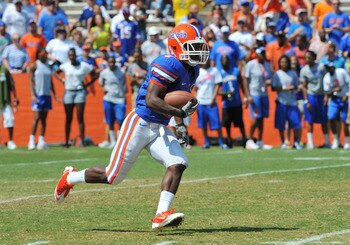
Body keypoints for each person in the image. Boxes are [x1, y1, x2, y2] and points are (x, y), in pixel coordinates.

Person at [54, 23, 209, 231]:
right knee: (113, 177)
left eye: (199, 46)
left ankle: (160, 215)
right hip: (141, 122)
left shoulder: (193, 70)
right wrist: (179, 115)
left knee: (178, 162)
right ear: (175, 47)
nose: (198, 51)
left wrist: (179, 124)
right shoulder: (167, 64)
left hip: (159, 125)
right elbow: (151, 100)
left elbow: (176, 102)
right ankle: (70, 177)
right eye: (192, 46)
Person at [53, 48, 97, 148]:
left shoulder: (83, 66)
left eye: (73, 55)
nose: (71, 57)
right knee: (68, 118)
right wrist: (62, 80)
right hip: (68, 91)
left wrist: (88, 84)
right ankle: (67, 142)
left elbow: (95, 74)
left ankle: (82, 142)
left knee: (80, 117)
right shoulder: (65, 65)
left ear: (76, 56)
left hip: (79, 92)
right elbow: (56, 73)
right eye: (70, 55)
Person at [28, 47, 59, 150]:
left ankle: (41, 140)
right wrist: (33, 94)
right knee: (36, 118)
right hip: (38, 95)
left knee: (44, 119)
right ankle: (31, 140)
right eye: (42, 55)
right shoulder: (35, 65)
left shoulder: (48, 66)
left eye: (45, 55)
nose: (44, 57)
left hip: (47, 95)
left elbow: (51, 82)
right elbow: (30, 81)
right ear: (39, 55)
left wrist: (54, 94)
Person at [243, 47, 273, 150]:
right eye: (260, 53)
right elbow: (245, 79)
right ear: (256, 54)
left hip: (264, 94)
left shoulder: (267, 65)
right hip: (254, 93)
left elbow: (269, 78)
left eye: (264, 53)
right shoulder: (251, 64)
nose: (262, 55)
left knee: (261, 118)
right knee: (255, 117)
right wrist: (248, 95)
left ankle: (260, 141)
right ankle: (249, 140)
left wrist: (269, 81)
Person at [194, 60, 228, 149]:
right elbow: (196, 88)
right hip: (201, 101)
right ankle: (206, 142)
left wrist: (214, 97)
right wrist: (196, 102)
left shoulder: (214, 71)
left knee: (216, 123)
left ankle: (221, 142)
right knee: (203, 124)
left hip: (211, 102)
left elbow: (217, 84)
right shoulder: (198, 72)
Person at [271, 55, 302, 149]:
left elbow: (297, 85)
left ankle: (296, 142)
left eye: (285, 62)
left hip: (292, 101)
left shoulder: (293, 73)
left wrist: (293, 87)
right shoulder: (277, 74)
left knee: (296, 122)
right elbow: (273, 87)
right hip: (281, 101)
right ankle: (283, 142)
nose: (284, 64)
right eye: (282, 62)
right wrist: (284, 88)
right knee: (281, 124)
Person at [300, 50, 329, 149]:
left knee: (324, 120)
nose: (307, 59)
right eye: (306, 57)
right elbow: (304, 86)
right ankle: (310, 142)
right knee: (310, 120)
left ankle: (326, 142)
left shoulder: (321, 67)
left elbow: (327, 80)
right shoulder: (304, 70)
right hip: (311, 95)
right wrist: (306, 100)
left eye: (309, 57)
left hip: (321, 95)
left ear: (314, 57)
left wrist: (326, 95)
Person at [216, 54, 246, 147]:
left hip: (237, 102)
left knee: (240, 122)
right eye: (223, 60)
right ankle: (229, 140)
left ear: (229, 61)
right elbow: (217, 91)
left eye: (226, 60)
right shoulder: (219, 73)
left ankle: (245, 139)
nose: (225, 62)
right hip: (226, 104)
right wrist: (225, 93)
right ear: (220, 62)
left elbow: (242, 84)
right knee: (227, 123)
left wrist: (245, 96)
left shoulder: (236, 71)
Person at [98, 56, 126, 148]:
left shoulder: (121, 72)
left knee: (120, 119)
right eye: (110, 62)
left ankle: (119, 141)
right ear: (107, 63)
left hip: (119, 99)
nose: (111, 64)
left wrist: (123, 93)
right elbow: (100, 82)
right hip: (108, 98)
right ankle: (113, 141)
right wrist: (103, 88)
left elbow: (124, 83)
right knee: (110, 121)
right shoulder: (104, 73)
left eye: (113, 62)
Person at [323, 61, 350, 149]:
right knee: (331, 118)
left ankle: (346, 141)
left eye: (331, 67)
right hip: (334, 99)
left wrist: (347, 94)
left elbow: (349, 83)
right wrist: (334, 90)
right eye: (328, 68)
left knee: (345, 120)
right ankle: (335, 139)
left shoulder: (341, 72)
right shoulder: (326, 78)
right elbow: (327, 92)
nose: (330, 69)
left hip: (345, 98)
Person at [0, 61, 18, 150]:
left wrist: (15, 97)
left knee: (9, 120)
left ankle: (10, 141)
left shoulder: (5, 69)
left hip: (5, 100)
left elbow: (12, 84)